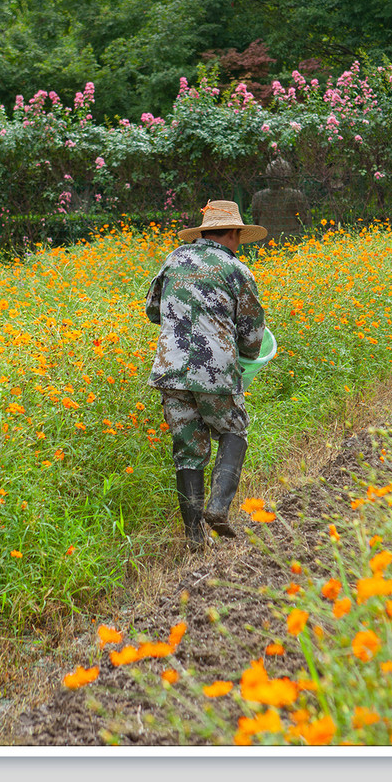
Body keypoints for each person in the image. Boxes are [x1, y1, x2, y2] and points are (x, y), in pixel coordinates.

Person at [145, 200, 268, 550]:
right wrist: (245, 356)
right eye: (239, 237)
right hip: (214, 373)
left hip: (170, 373)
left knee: (188, 451)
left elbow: (154, 310)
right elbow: (253, 335)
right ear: (233, 234)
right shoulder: (236, 269)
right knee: (234, 429)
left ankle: (194, 538)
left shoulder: (174, 259)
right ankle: (218, 507)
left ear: (204, 232)